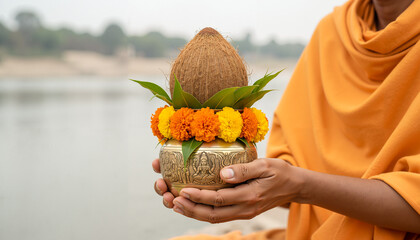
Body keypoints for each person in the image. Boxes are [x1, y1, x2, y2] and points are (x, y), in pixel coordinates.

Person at [152, 0, 420, 239]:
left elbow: (298, 184)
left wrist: (300, 186)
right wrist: (240, 180)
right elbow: (288, 175)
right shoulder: (333, 31)